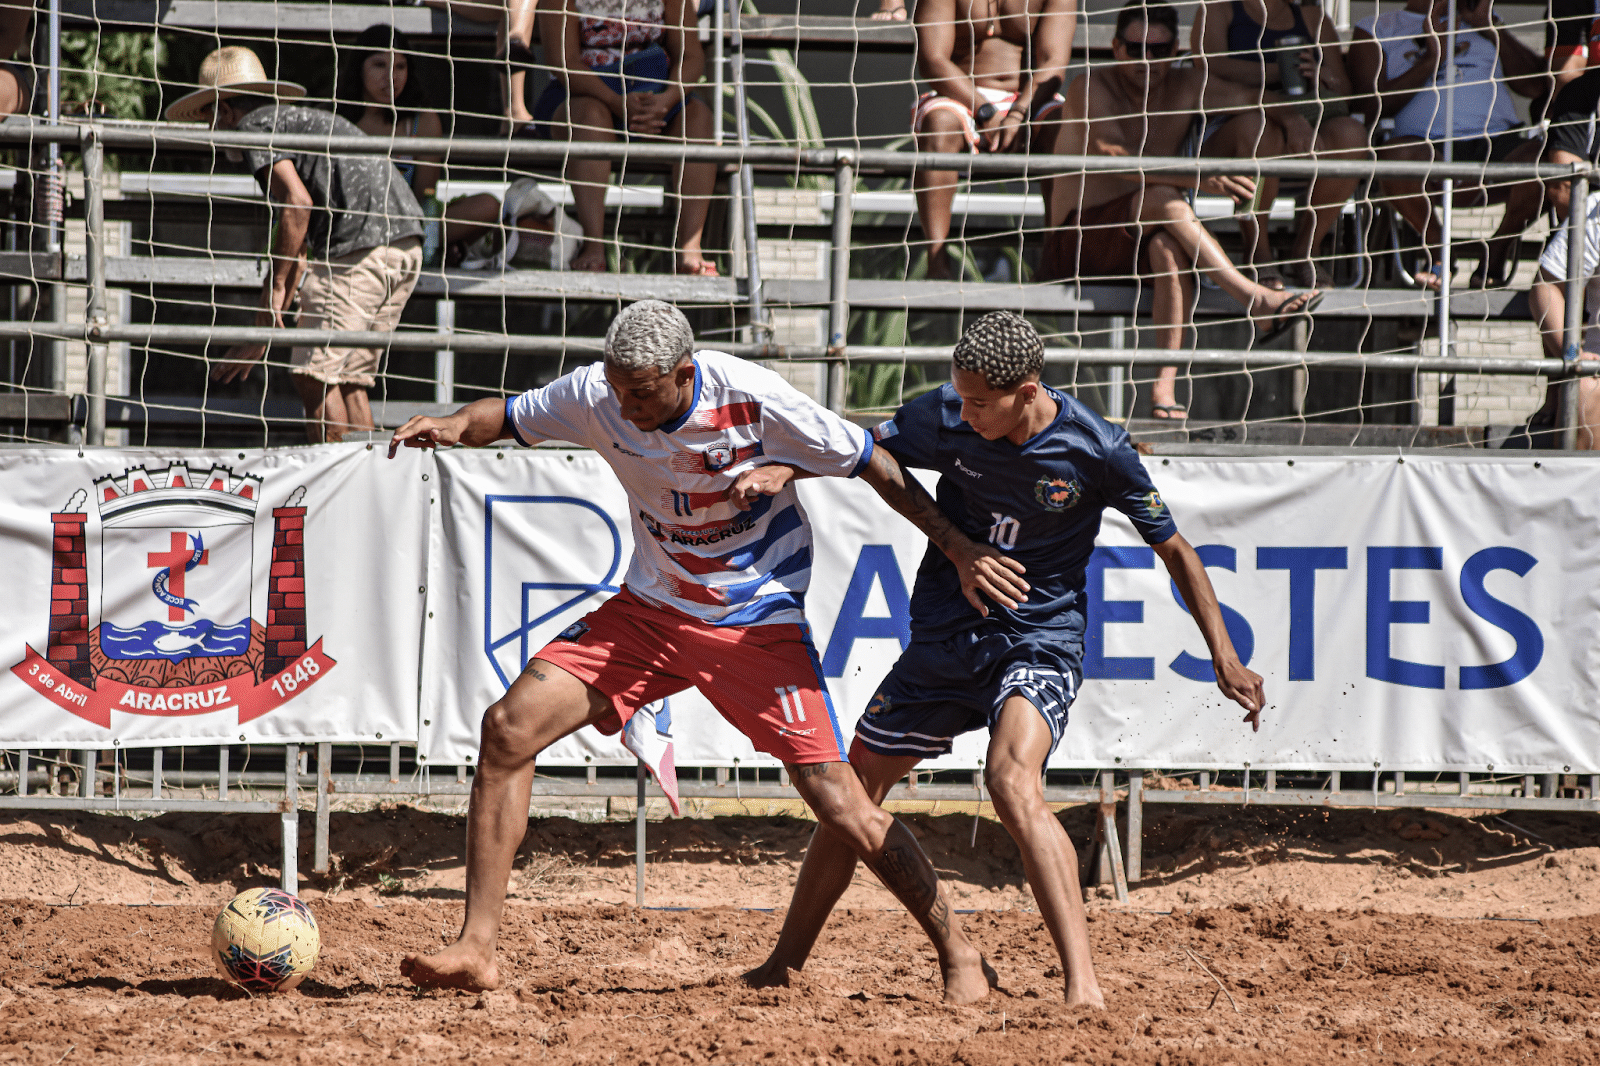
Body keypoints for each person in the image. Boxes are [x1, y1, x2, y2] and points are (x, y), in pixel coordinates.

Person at [388, 300, 1031, 1000]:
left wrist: (960, 548)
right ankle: (476, 948)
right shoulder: (597, 394)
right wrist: (455, 424)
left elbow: (873, 462)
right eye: (617, 387)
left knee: (840, 804)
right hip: (651, 610)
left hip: (753, 619)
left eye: (641, 391)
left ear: (683, 373)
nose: (625, 404)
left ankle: (959, 952)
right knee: (508, 728)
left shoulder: (751, 397)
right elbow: (506, 416)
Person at [743, 312, 1265, 1006]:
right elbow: (863, 448)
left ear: (1028, 390)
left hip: (1038, 637)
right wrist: (789, 464)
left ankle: (1083, 989)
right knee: (853, 791)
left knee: (1010, 780)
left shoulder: (1098, 449)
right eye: (959, 397)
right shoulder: (945, 416)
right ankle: (784, 963)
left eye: (980, 402)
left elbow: (1176, 551)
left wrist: (1224, 657)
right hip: (944, 637)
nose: (964, 413)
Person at [1041, 0, 1322, 421]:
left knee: (1170, 248)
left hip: (1148, 231)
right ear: (1116, 48)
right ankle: (1253, 297)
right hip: (1080, 240)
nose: (1146, 61)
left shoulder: (1187, 85)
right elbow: (1111, 156)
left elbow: (1253, 97)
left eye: (1158, 50)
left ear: (1175, 50)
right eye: (1135, 49)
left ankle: (1164, 387)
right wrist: (1200, 178)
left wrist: (1293, 118)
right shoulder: (1091, 87)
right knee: (1164, 199)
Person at [167, 47, 425, 443]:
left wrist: (271, 295)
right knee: (349, 379)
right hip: (404, 243)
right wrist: (267, 322)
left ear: (225, 111)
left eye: (209, 117)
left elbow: (297, 205)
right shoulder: (297, 120)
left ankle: (337, 485)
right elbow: (299, 240)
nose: (211, 131)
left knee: (313, 376)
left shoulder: (255, 126)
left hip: (358, 248)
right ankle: (372, 488)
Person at [1347, 0, 1548, 290]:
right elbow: (1367, 107)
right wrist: (1432, 58)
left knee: (1553, 160)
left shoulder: (1485, 20)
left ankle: (1499, 248)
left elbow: (1535, 87)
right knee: (1392, 160)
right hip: (1425, 149)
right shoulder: (1377, 27)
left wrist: (1493, 28)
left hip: (1499, 146)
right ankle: (1439, 249)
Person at [530, 0, 719, 275]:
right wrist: (615, 102)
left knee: (699, 118)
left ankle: (690, 247)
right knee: (591, 118)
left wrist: (666, 100)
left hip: (652, 94)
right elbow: (564, 61)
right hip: (581, 93)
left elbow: (691, 57)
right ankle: (594, 243)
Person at [1190, 0, 1369, 288]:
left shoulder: (1312, 16)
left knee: (1352, 134)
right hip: (1230, 132)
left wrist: (1321, 74)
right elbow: (1208, 69)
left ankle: (1307, 252)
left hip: (1303, 130)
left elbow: (1345, 93)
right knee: (1260, 127)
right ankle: (1259, 254)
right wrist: (1282, 69)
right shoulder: (1218, 10)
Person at [909, 0, 1076, 280]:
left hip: (1028, 100)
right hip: (961, 95)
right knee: (939, 124)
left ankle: (1053, 259)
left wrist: (1018, 114)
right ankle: (937, 262)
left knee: (1062, 127)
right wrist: (986, 113)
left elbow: (1054, 62)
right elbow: (932, 59)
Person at [1522, 188, 1600, 448]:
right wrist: (1571, 353)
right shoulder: (1594, 209)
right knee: (1584, 390)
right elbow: (1549, 285)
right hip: (1598, 369)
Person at [337, 25, 442, 208]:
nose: (391, 76)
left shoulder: (424, 122)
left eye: (400, 66)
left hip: (408, 225)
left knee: (487, 205)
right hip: (345, 224)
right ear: (359, 68)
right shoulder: (333, 117)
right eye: (379, 65)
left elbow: (425, 200)